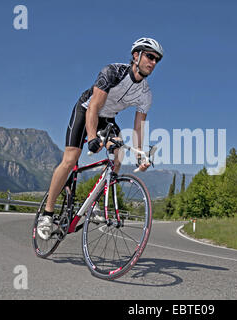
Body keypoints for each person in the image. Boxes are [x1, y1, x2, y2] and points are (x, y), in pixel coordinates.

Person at [37, 37, 164, 239]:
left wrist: (140, 154)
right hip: (85, 110)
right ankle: (47, 215)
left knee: (118, 153)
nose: (153, 62)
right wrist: (92, 136)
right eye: (150, 56)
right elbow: (94, 106)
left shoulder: (145, 94)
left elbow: (139, 126)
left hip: (108, 118)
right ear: (136, 55)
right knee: (70, 160)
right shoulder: (113, 72)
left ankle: (95, 204)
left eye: (157, 59)